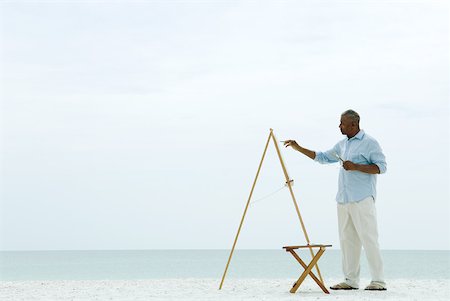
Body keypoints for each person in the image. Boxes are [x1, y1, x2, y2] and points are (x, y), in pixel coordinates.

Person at [284, 109, 387, 291]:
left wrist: (355, 166)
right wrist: (298, 148)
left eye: (342, 123)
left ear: (354, 124)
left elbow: (381, 168)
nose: (339, 126)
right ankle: (350, 280)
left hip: (362, 199)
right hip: (343, 199)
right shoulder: (342, 144)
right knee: (347, 240)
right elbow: (322, 157)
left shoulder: (370, 143)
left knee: (369, 238)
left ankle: (378, 281)